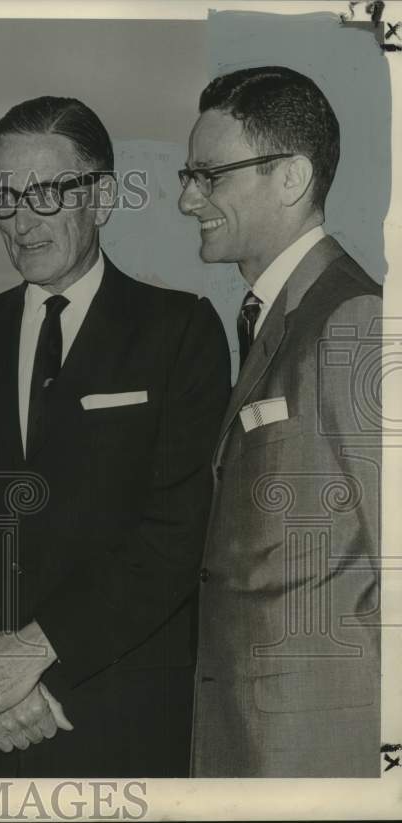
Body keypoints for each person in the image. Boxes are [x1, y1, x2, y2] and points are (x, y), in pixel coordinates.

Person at [0, 95, 231, 777]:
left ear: (103, 196)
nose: (22, 222)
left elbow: (176, 535)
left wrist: (40, 656)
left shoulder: (180, 331)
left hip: (116, 716)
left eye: (47, 194)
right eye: (4, 195)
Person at [179, 66, 382, 777]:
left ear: (290, 177)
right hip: (258, 743)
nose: (186, 198)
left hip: (318, 754)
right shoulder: (280, 319)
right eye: (188, 175)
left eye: (210, 175)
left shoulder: (354, 320)